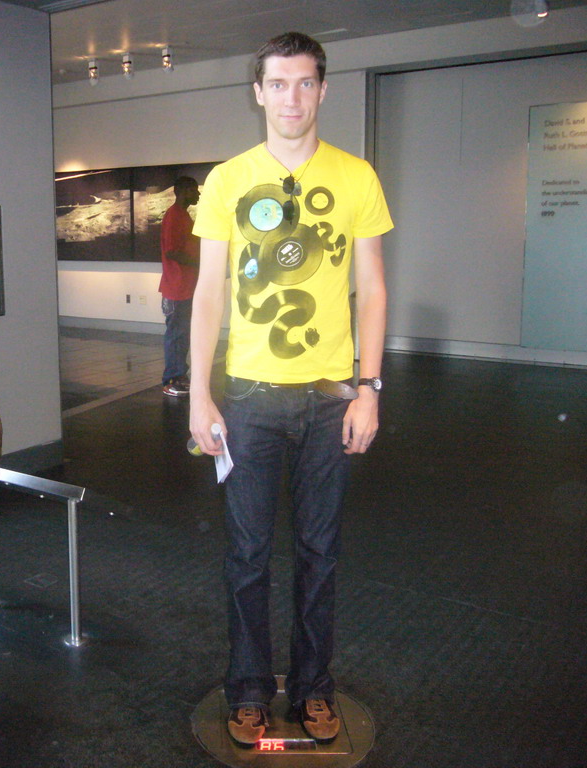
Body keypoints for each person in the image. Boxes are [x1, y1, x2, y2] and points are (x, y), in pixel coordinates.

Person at [189, 32, 393, 746]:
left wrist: (368, 388)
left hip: (331, 397)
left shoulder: (357, 176)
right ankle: (247, 688)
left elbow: (370, 290)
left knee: (320, 552)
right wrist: (197, 393)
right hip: (247, 398)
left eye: (305, 84)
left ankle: (313, 687)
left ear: (324, 90)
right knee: (246, 555)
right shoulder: (227, 180)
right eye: (278, 84)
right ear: (258, 92)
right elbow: (208, 294)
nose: (292, 98)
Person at [159, 176, 201, 397]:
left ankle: (179, 375)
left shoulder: (183, 216)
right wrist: (200, 263)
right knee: (176, 334)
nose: (198, 194)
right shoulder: (174, 216)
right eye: (194, 190)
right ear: (183, 191)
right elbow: (172, 252)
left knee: (182, 334)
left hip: (185, 287)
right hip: (176, 287)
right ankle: (171, 380)